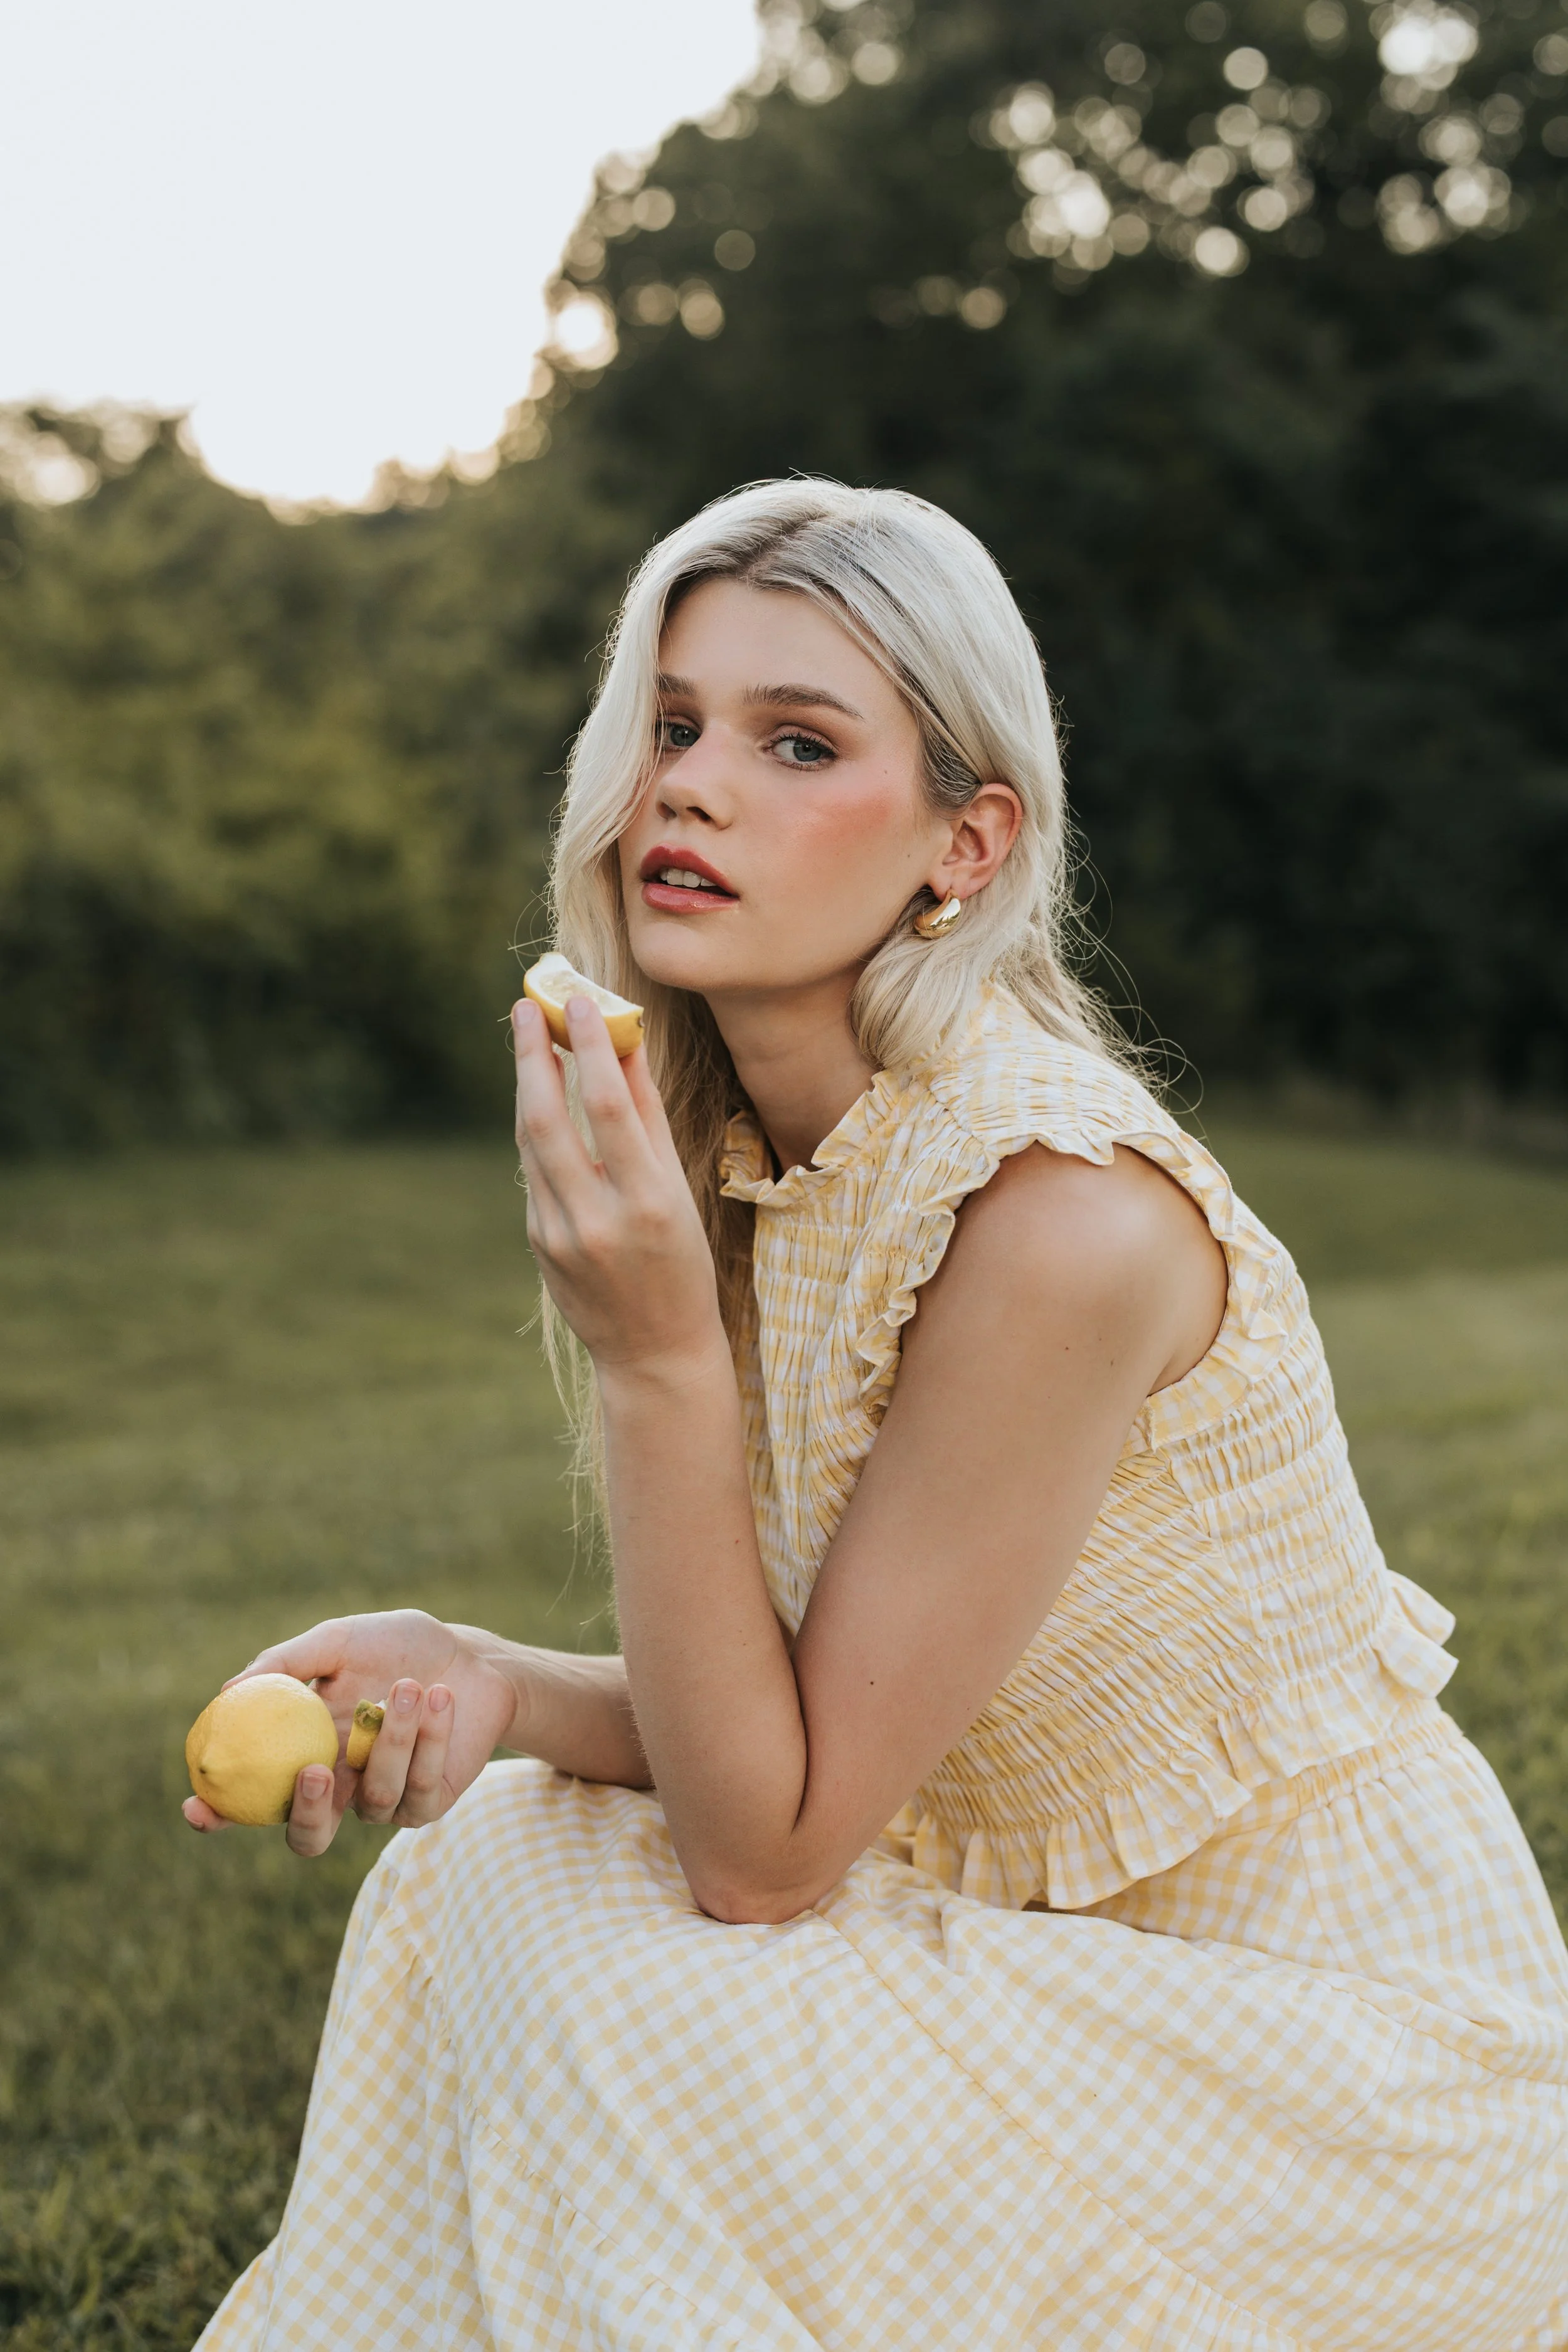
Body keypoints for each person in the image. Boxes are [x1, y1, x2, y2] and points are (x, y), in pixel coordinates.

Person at [188, 480, 1568, 2351]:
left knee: (647, 1992)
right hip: (1073, 1979)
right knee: (491, 1853)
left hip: (1336, 2080)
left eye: (797, 740)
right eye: (671, 723)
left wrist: (658, 1361)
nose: (689, 784)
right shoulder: (777, 1160)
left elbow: (768, 1854)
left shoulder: (1054, 1217)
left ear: (964, 843)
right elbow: (818, 1725)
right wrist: (490, 1676)